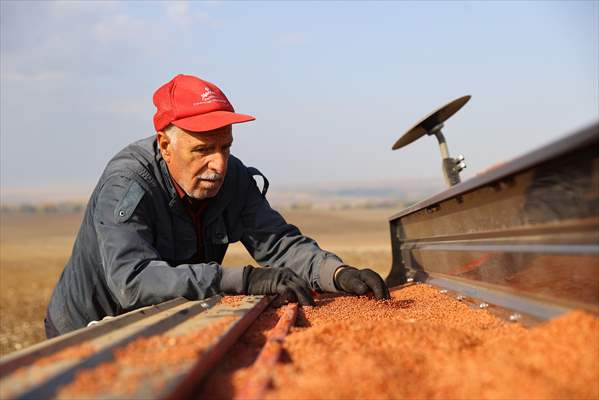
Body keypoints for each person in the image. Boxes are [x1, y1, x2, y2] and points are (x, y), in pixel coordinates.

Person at [44, 74, 390, 338]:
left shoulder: (231, 178)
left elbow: (278, 243)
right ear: (165, 144)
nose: (218, 164)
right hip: (89, 333)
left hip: (161, 323)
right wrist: (245, 279)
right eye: (202, 150)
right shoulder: (128, 183)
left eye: (225, 147)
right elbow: (132, 280)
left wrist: (336, 273)